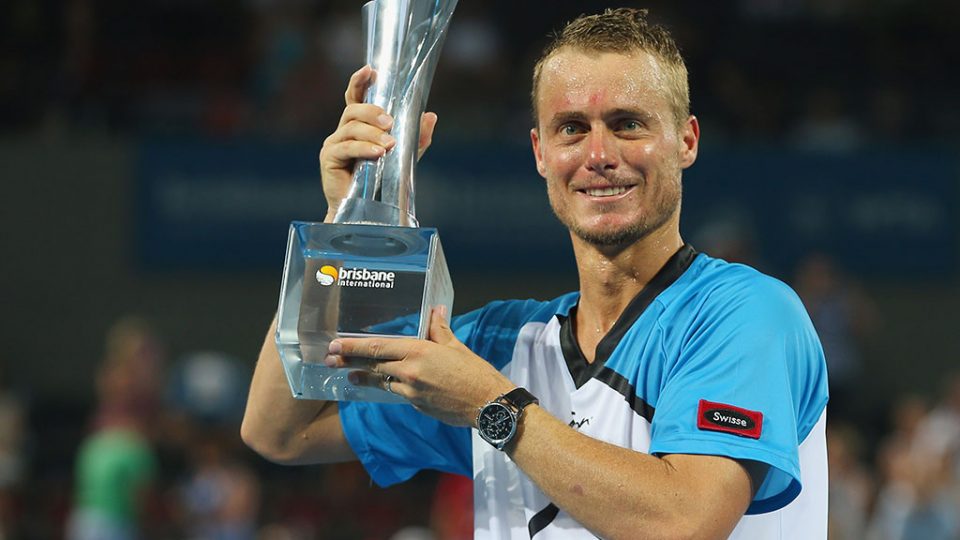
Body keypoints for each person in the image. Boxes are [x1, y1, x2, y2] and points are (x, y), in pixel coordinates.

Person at [242, 8, 829, 539]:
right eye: (572, 128)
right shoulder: (499, 344)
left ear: (686, 141)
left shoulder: (746, 314)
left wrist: (491, 407)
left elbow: (685, 522)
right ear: (540, 152)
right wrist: (345, 227)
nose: (598, 154)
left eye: (628, 124)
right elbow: (279, 430)